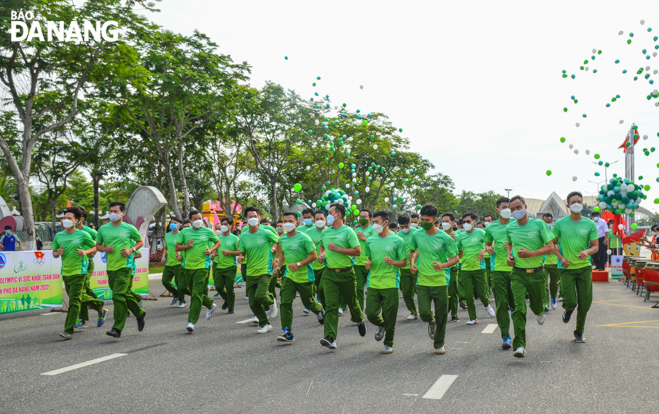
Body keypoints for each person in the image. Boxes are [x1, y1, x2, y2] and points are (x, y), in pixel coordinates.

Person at [505, 195, 555, 358]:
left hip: (537, 273)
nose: (515, 211)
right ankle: (520, 345)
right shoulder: (510, 227)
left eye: (518, 207)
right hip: (518, 274)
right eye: (512, 209)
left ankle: (540, 310)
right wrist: (509, 256)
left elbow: (550, 248)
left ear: (526, 207)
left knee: (536, 306)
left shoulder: (539, 224)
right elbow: (509, 243)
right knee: (518, 309)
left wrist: (532, 253)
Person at [409, 204, 460, 355]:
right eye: (421, 219)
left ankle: (439, 344)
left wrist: (443, 265)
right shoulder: (417, 235)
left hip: (440, 281)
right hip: (423, 281)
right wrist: (412, 263)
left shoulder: (444, 237)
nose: (423, 222)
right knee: (424, 313)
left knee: (442, 315)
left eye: (426, 220)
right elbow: (412, 250)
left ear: (434, 220)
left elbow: (456, 258)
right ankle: (431, 321)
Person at [551, 191, 599, 343]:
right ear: (568, 205)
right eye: (573, 202)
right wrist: (561, 257)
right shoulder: (560, 223)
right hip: (567, 269)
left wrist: (586, 251)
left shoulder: (590, 224)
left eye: (579, 201)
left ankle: (579, 331)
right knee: (571, 301)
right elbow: (551, 244)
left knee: (585, 303)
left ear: (583, 204)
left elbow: (595, 246)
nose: (576, 204)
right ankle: (568, 309)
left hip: (584, 267)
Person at [318, 203, 367, 350]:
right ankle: (330, 337)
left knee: (352, 303)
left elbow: (357, 251)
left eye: (330, 212)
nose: (328, 215)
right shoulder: (325, 232)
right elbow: (322, 245)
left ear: (337, 215)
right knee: (331, 306)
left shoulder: (348, 232)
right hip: (330, 274)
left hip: (346, 274)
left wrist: (338, 249)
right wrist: (322, 254)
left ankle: (359, 319)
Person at [52, 207, 105, 340]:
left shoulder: (83, 234)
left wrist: (86, 252)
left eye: (69, 218)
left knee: (74, 301)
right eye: (64, 218)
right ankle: (98, 304)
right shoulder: (59, 236)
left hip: (80, 271)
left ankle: (68, 330)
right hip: (66, 271)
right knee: (77, 296)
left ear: (76, 220)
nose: (66, 220)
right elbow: (53, 253)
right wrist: (57, 253)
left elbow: (96, 246)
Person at [95, 201, 145, 338]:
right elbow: (98, 246)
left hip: (125, 266)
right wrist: (105, 249)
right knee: (123, 294)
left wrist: (131, 250)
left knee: (117, 296)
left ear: (122, 213)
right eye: (111, 211)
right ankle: (139, 313)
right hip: (111, 267)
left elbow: (140, 242)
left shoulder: (129, 228)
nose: (112, 213)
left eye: (116, 211)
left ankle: (117, 328)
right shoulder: (103, 229)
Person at [274, 211, 324, 342]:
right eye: (285, 221)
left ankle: (319, 310)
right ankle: (287, 331)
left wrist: (299, 264)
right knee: (285, 302)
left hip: (305, 276)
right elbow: (284, 253)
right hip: (289, 276)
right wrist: (279, 266)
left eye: (290, 221)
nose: (287, 223)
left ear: (296, 223)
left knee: (308, 302)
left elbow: (313, 255)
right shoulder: (283, 238)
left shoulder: (304, 237)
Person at [364, 211, 408, 354]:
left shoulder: (397, 241)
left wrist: (393, 262)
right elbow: (369, 259)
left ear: (385, 222)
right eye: (373, 222)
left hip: (390, 283)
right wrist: (368, 264)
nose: (374, 225)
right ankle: (382, 325)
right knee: (370, 313)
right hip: (373, 282)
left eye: (376, 222)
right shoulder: (370, 240)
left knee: (390, 316)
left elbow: (403, 262)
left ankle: (388, 343)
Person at [176, 210, 221, 333]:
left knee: (196, 294)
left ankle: (191, 322)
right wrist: (187, 246)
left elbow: (218, 242)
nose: (198, 221)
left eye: (199, 218)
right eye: (195, 219)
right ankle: (210, 304)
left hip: (202, 267)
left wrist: (211, 250)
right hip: (188, 267)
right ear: (190, 221)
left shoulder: (207, 231)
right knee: (192, 291)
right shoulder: (184, 232)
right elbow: (177, 247)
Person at [238, 207, 280, 333]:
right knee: (253, 303)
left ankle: (271, 300)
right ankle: (265, 324)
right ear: (246, 219)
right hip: (251, 271)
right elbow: (242, 253)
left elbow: (279, 242)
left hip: (265, 270)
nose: (252, 218)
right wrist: (241, 257)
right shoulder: (244, 236)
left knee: (260, 295)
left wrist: (276, 258)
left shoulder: (265, 232)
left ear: (259, 218)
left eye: (255, 216)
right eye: (250, 216)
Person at [484, 197, 516, 349]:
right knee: (501, 304)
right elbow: (488, 244)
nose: (507, 210)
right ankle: (505, 335)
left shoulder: (518, 225)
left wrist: (512, 247)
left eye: (509, 207)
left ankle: (519, 333)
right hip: (497, 271)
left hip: (517, 271)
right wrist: (489, 249)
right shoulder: (491, 228)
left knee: (515, 305)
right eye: (504, 207)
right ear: (497, 210)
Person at [456, 212, 495, 325]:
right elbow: (458, 250)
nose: (466, 224)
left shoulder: (480, 232)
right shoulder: (461, 236)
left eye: (468, 221)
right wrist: (459, 259)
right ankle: (473, 317)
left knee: (482, 293)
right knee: (468, 295)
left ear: (473, 222)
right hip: (466, 269)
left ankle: (487, 305)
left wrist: (483, 250)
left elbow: (490, 243)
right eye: (464, 222)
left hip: (479, 267)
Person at [74, 206, 107, 328]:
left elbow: (99, 245)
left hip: (87, 264)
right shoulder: (67, 232)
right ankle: (95, 310)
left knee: (81, 290)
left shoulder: (91, 232)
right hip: (73, 266)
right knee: (83, 290)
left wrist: (90, 252)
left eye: (70, 217)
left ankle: (86, 316)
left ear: (80, 219)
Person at [213, 217, 241, 314]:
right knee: (219, 286)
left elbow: (239, 252)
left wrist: (229, 252)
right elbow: (215, 251)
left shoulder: (235, 238)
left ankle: (231, 308)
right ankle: (227, 299)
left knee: (229, 287)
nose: (223, 226)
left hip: (231, 266)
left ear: (230, 226)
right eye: (222, 224)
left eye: (225, 224)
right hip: (219, 266)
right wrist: (213, 254)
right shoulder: (218, 238)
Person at [440, 213, 461, 322]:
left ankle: (454, 314)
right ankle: (443, 311)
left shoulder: (457, 237)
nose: (444, 223)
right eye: (443, 221)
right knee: (443, 292)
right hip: (441, 268)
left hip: (452, 267)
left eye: (447, 221)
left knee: (453, 291)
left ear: (453, 223)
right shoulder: (439, 236)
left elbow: (460, 253)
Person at [354, 209, 375, 314]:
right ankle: (359, 313)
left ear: (370, 219)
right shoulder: (355, 231)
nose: (362, 218)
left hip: (371, 263)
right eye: (360, 216)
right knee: (358, 290)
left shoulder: (373, 229)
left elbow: (376, 243)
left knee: (372, 290)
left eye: (364, 216)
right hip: (357, 264)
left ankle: (372, 311)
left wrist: (363, 238)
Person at [397, 215, 418, 320]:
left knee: (420, 290)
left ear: (410, 223)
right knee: (406, 293)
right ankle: (413, 311)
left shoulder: (416, 233)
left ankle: (425, 311)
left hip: (417, 267)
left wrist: (413, 262)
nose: (404, 228)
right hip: (404, 269)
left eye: (406, 226)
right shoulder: (398, 235)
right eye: (402, 226)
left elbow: (418, 249)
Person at [305, 210, 328, 309]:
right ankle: (317, 306)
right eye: (317, 219)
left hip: (326, 265)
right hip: (311, 265)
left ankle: (328, 308)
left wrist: (323, 255)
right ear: (314, 220)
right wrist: (310, 247)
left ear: (325, 220)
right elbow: (303, 249)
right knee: (312, 289)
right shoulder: (308, 233)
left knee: (323, 288)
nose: (319, 221)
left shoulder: (329, 232)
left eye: (321, 219)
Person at [162, 218, 185, 307]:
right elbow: (166, 247)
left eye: (175, 223)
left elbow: (183, 247)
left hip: (179, 263)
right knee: (165, 281)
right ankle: (176, 294)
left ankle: (182, 301)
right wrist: (163, 256)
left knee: (179, 283)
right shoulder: (167, 235)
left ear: (179, 225)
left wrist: (180, 255)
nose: (172, 224)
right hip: (169, 263)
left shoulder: (182, 235)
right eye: (171, 222)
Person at [542, 213, 561, 310]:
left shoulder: (555, 232)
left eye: (548, 222)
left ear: (552, 222)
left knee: (554, 284)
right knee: (543, 284)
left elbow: (561, 244)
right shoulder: (539, 231)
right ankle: (545, 303)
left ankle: (553, 297)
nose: (547, 224)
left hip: (555, 262)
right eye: (545, 222)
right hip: (543, 263)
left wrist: (556, 248)